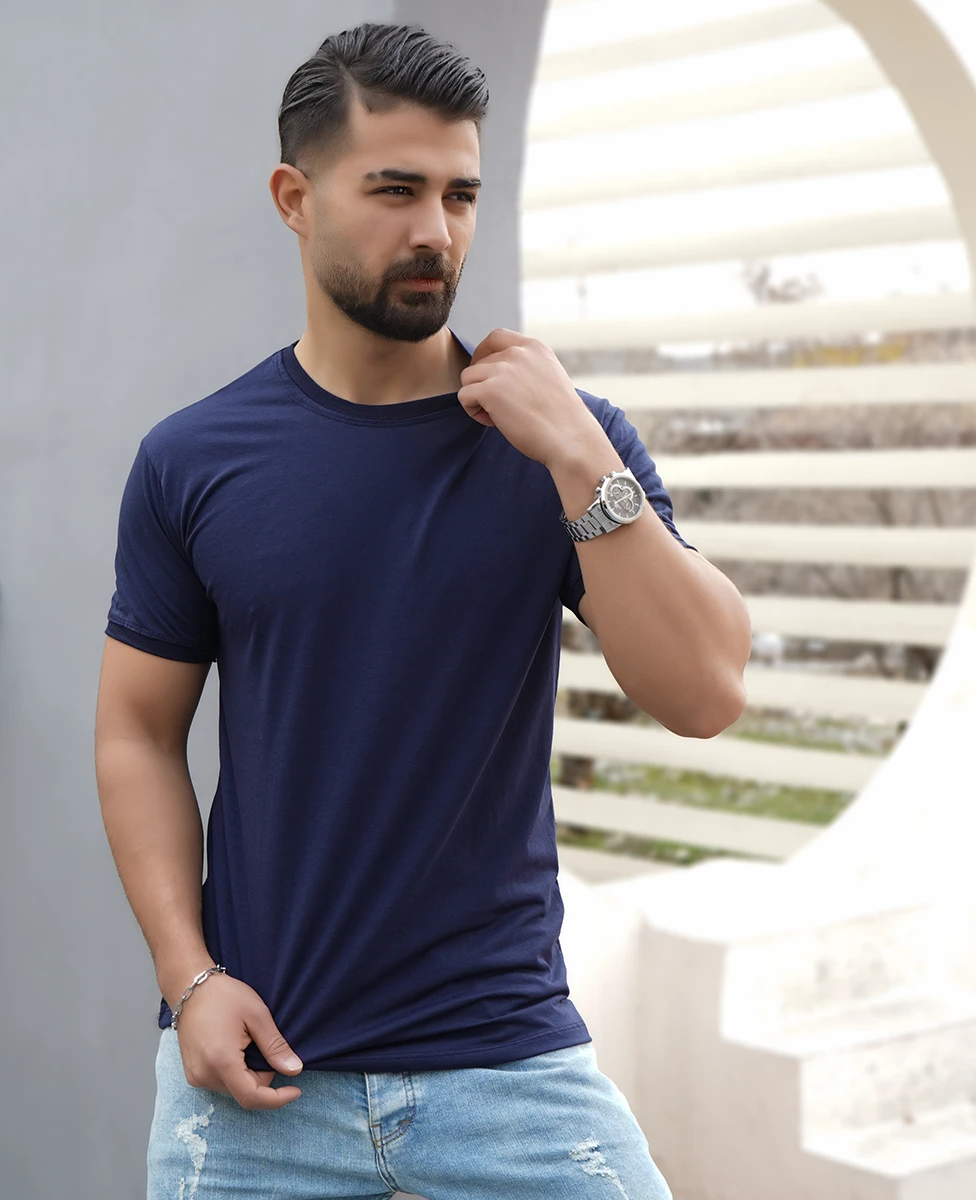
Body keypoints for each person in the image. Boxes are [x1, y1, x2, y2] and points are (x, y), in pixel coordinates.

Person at [94, 20, 752, 1200]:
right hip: (259, 1081)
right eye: (395, 190)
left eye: (461, 195)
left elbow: (706, 693)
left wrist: (575, 455)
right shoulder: (193, 459)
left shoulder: (566, 442)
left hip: (510, 1069)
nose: (436, 232)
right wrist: (187, 977)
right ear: (295, 199)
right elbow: (137, 731)